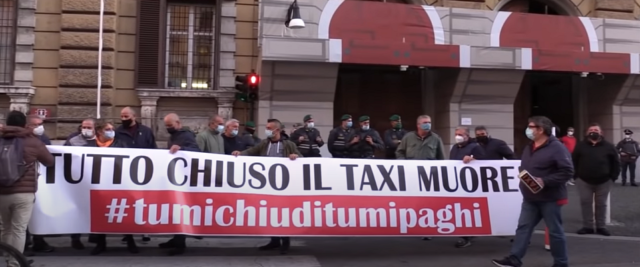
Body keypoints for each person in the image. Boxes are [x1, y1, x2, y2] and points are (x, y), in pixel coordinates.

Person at [492, 116, 573, 267]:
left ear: (541, 130)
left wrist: (545, 181)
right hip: (530, 197)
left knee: (555, 232)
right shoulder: (529, 147)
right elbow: (525, 166)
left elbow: (568, 171)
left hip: (550, 198)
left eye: (531, 127)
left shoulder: (557, 147)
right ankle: (515, 258)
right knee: (523, 227)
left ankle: (561, 263)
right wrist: (523, 174)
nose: (528, 130)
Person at [231, 118, 301, 254]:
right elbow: (251, 151)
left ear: (277, 130)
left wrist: (295, 156)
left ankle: (285, 242)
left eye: (269, 128)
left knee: (283, 213)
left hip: (284, 185)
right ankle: (274, 240)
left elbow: (301, 158)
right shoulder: (264, 143)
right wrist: (240, 154)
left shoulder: (289, 144)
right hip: (267, 184)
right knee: (270, 212)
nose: (267, 130)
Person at [0, 111, 55, 267]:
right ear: (25, 124)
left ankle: (7, 256)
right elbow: (49, 161)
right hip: (23, 192)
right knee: (19, 229)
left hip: (1, 191)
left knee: (5, 227)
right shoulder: (32, 141)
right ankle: (14, 262)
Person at [82, 119, 139, 255]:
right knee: (100, 213)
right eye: (108, 129)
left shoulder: (121, 145)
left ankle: (130, 241)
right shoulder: (89, 146)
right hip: (97, 185)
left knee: (123, 212)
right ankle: (100, 243)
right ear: (100, 131)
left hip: (118, 184)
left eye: (111, 129)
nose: (111, 132)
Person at [158, 113, 200, 256]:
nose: (168, 128)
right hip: (175, 177)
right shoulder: (175, 136)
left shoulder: (186, 136)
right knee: (174, 209)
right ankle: (175, 238)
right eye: (166, 126)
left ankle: (180, 243)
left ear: (178, 122)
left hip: (184, 179)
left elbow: (196, 151)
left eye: (170, 125)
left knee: (180, 210)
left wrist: (181, 150)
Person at [115, 107, 155, 243]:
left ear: (134, 116)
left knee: (143, 203)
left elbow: (153, 150)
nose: (123, 119)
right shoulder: (117, 132)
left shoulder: (146, 131)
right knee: (127, 203)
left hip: (144, 172)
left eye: (126, 116)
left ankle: (145, 231)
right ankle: (128, 232)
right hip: (124, 173)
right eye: (122, 116)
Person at [572, 123, 620, 236]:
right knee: (585, 203)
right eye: (591, 130)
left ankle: (601, 226)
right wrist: (576, 177)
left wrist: (612, 178)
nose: (593, 131)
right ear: (587, 133)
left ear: (601, 133)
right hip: (584, 181)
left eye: (596, 130)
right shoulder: (580, 146)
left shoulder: (609, 146)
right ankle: (587, 226)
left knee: (601, 204)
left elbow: (616, 163)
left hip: (604, 181)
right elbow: (573, 161)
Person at [23, 115, 54, 254]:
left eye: (41, 124)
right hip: (27, 182)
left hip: (41, 181)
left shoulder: (44, 139)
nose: (40, 127)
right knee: (23, 217)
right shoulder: (24, 140)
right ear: (28, 126)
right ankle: (23, 245)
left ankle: (38, 241)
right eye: (36, 125)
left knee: (37, 211)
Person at [450, 126, 484, 248]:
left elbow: (484, 161)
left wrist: (473, 159)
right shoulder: (455, 147)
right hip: (457, 182)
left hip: (470, 184)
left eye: (460, 134)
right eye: (456, 134)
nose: (458, 137)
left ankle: (467, 236)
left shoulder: (475, 147)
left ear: (467, 136)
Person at [64, 118, 96, 250]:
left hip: (95, 181)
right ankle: (75, 238)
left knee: (94, 209)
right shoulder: (72, 141)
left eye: (89, 127)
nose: (86, 130)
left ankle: (94, 235)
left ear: (95, 129)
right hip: (77, 181)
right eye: (84, 127)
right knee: (76, 209)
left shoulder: (101, 142)